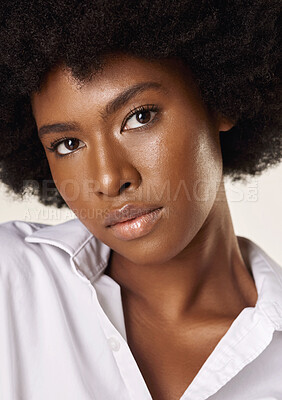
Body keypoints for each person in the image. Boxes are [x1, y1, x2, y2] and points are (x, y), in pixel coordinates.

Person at [0, 1, 281, 399]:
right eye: (68, 144)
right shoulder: (11, 283)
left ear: (219, 99)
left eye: (139, 117)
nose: (109, 179)